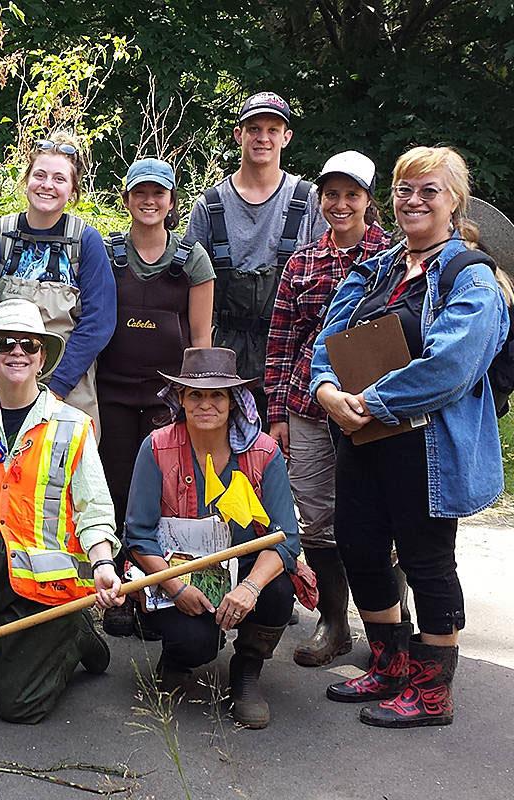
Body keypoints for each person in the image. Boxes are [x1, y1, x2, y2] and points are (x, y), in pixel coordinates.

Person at [311, 146, 508, 728]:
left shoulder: (469, 275)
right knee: (359, 546)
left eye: (429, 190)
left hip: (427, 446)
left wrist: (370, 403)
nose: (414, 200)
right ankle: (390, 664)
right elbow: (329, 337)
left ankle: (432, 694)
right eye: (404, 189)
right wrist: (326, 390)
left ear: (455, 202)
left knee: (426, 562)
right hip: (361, 437)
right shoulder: (379, 266)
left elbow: (452, 365)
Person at [0, 298, 122, 724]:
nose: (18, 351)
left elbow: (94, 510)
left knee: (18, 706)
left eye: (29, 345)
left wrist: (103, 564)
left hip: (46, 587)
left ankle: (74, 633)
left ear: (42, 357)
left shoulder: (73, 425)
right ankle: (11, 652)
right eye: (6, 343)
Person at [124, 347, 300, 729]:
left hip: (245, 568)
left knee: (278, 590)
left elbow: (285, 539)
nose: (207, 404)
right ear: (181, 399)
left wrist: (251, 588)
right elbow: (138, 534)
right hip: (179, 567)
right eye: (196, 395)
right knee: (193, 641)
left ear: (234, 402)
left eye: (217, 395)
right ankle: (178, 657)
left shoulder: (264, 453)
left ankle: (247, 670)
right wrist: (174, 588)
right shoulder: (156, 447)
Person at [263, 151, 390, 667]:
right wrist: (276, 415)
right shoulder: (303, 261)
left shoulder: (394, 256)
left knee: (380, 517)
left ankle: (387, 629)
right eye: (331, 194)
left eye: (351, 195)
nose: (340, 204)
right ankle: (334, 623)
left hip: (374, 408)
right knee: (315, 519)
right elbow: (280, 341)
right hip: (307, 407)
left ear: (368, 200)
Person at [95, 157, 214, 639]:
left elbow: (201, 337)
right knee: (117, 488)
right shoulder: (105, 255)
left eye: (158, 193)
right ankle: (122, 591)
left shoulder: (192, 260)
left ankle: (157, 591)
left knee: (166, 494)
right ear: (126, 199)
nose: (149, 201)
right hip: (113, 392)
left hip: (168, 397)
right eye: (139, 192)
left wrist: (197, 401)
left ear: (171, 200)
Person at [183, 92, 326, 411]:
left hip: (291, 357)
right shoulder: (209, 206)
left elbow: (327, 280)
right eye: (254, 129)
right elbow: (189, 290)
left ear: (286, 137)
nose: (263, 138)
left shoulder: (310, 201)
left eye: (273, 130)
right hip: (222, 360)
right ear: (239, 135)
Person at [0, 133, 117, 436]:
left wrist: (56, 387)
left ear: (73, 190)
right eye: (39, 175)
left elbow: (99, 322)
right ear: (26, 179)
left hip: (70, 383)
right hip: (4, 376)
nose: (47, 185)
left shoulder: (86, 242)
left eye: (59, 179)